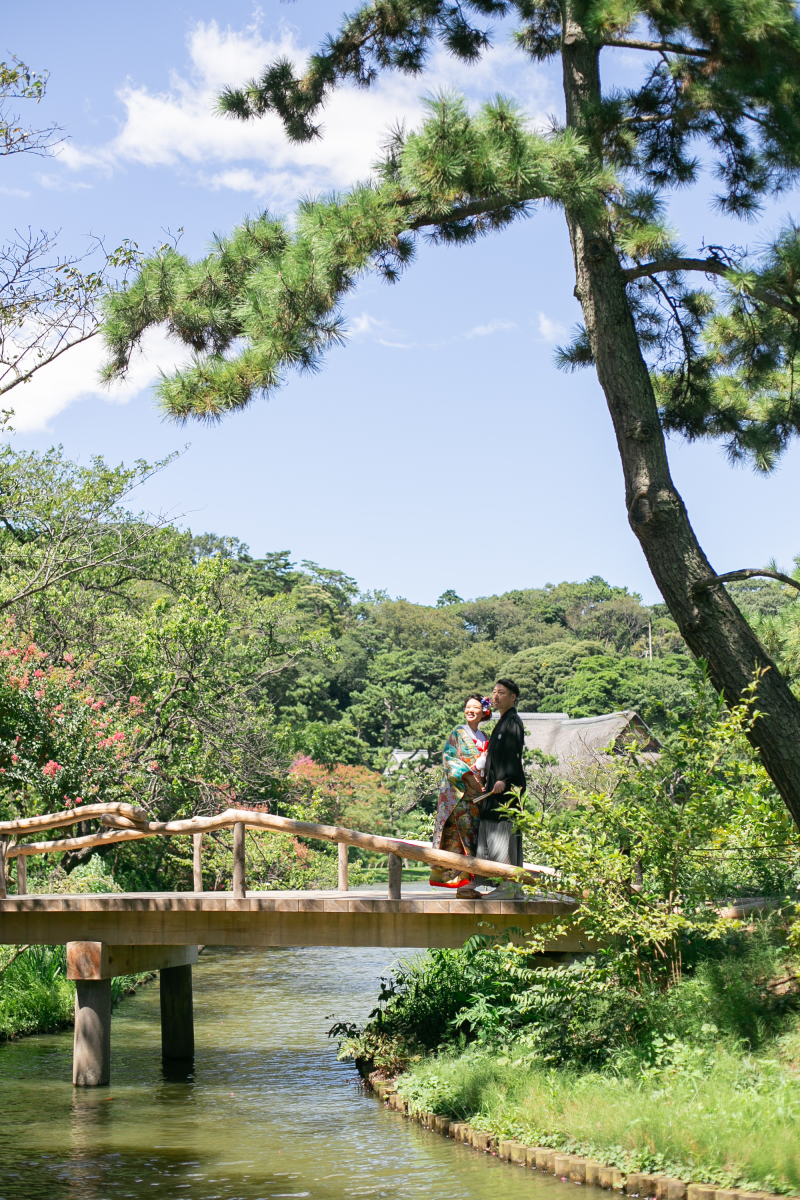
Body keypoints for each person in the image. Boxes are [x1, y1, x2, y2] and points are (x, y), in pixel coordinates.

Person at [429, 693, 492, 897]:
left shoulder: (486, 738)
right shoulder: (457, 733)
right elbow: (449, 759)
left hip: (479, 797)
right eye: (467, 707)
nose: (470, 710)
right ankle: (463, 886)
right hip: (460, 795)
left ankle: (471, 885)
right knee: (460, 838)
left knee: (476, 839)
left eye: (475, 707)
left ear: (484, 712)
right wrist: (468, 776)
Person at [478, 677, 527, 900]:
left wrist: (504, 779)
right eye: (494, 692)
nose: (496, 696)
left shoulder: (513, 722)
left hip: (505, 790)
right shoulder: (502, 721)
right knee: (489, 831)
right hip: (494, 788)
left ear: (513, 698)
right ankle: (496, 884)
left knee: (503, 833)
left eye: (502, 693)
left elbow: (513, 757)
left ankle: (509, 886)